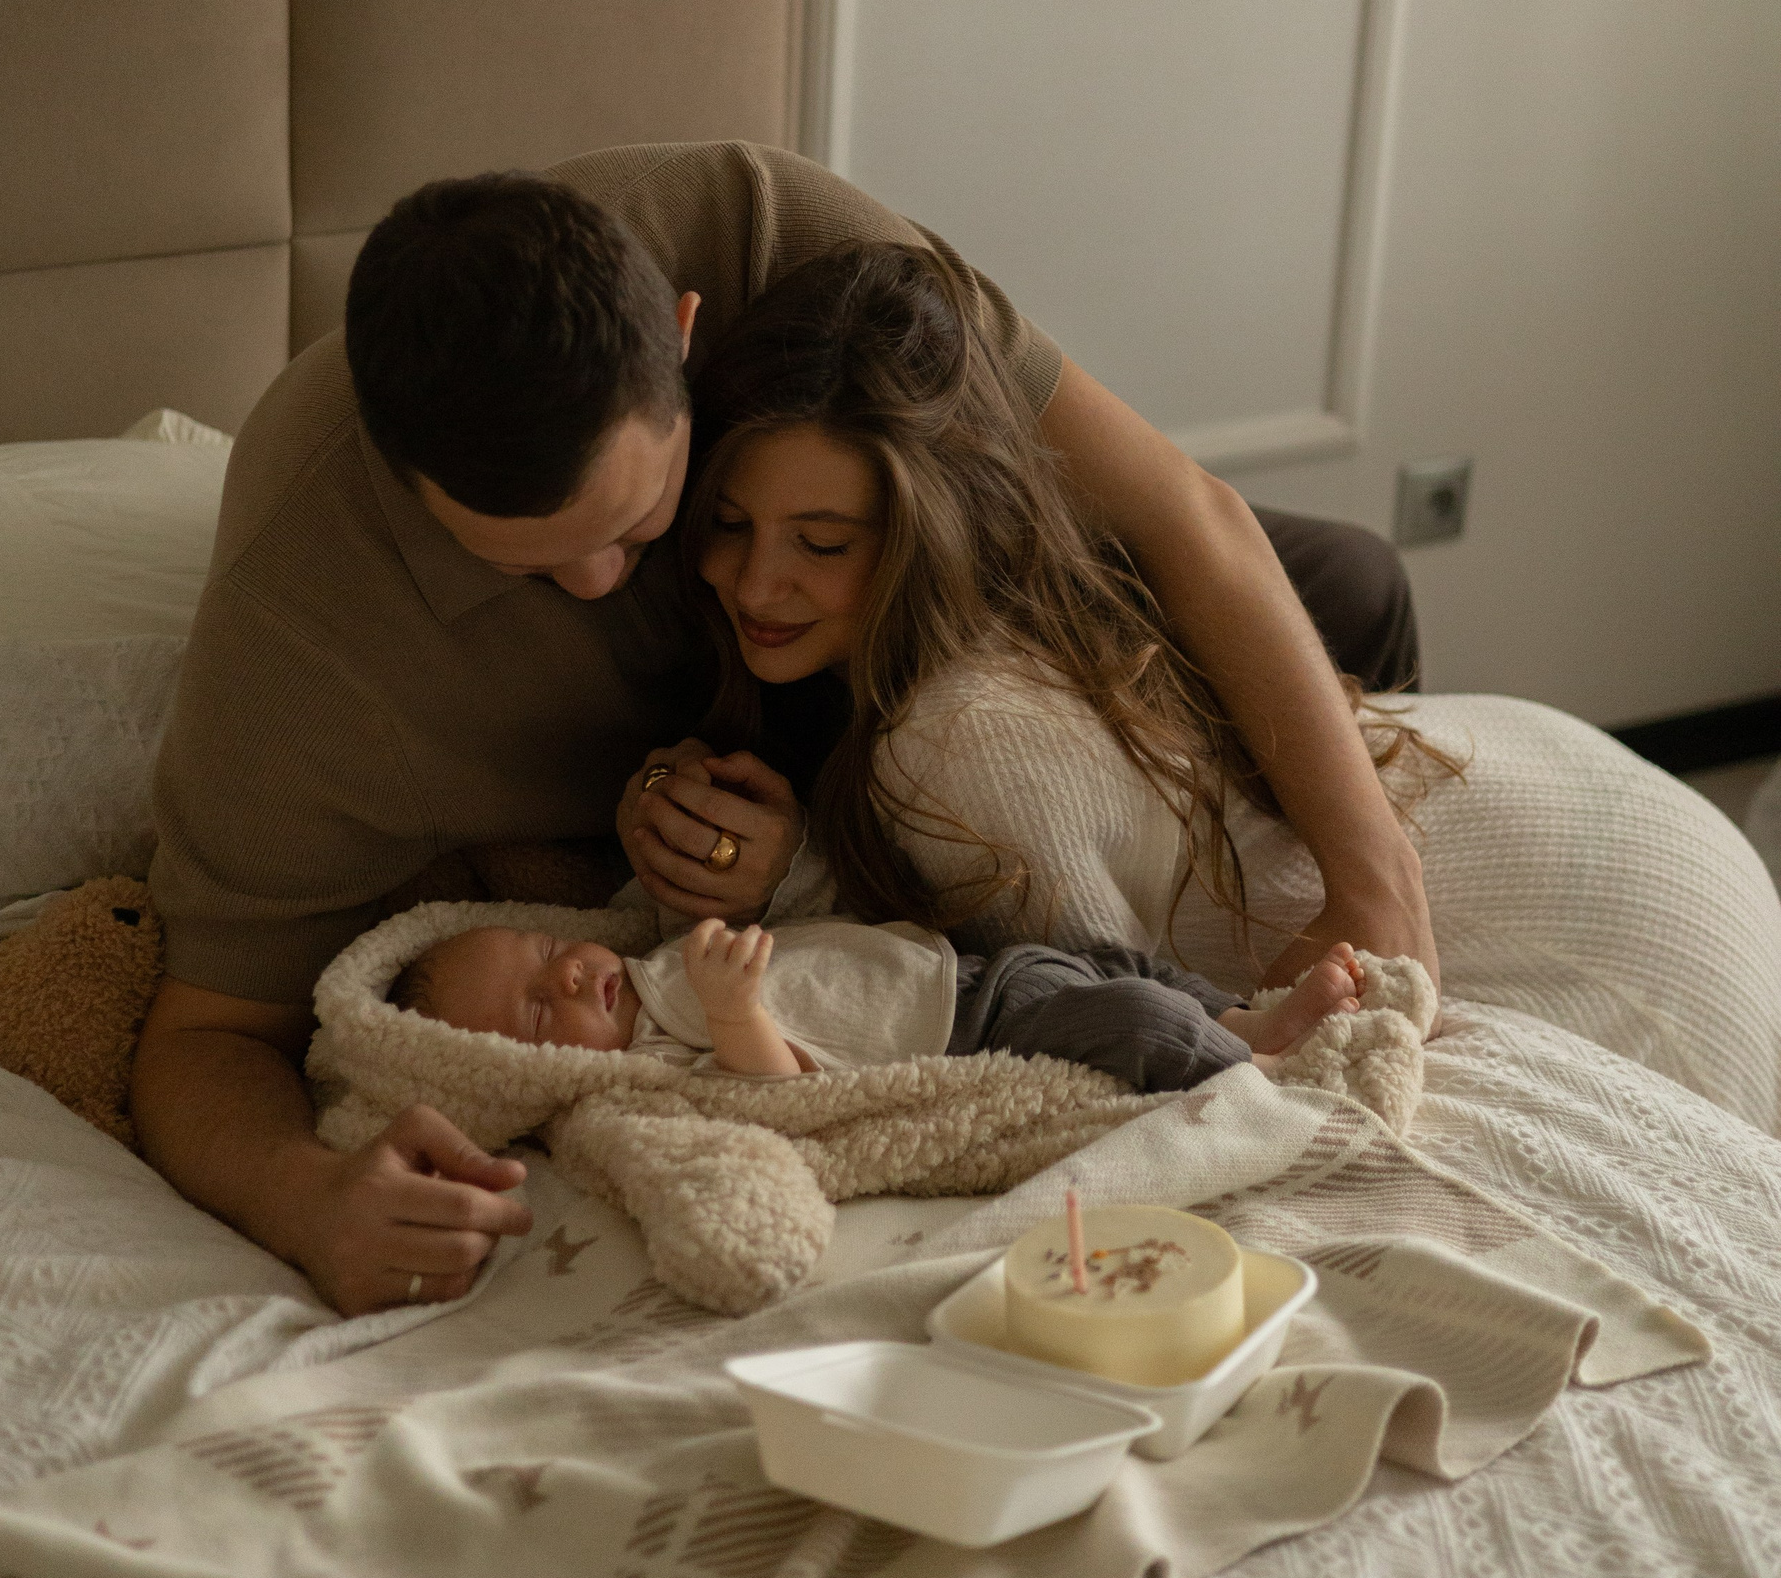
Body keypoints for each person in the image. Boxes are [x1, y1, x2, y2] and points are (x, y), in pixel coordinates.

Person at [135, 146, 1431, 1317]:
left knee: (1360, 587)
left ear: (687, 339)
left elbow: (1175, 508)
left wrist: (1376, 880)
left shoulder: (769, 231)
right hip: (817, 789)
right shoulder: (299, 626)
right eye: (524, 568)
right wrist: (306, 1197)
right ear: (401, 476)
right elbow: (204, 1033)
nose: (602, 586)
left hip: (940, 607)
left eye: (642, 526)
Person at [641, 241, 1458, 981]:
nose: (754, 587)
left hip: (1496, 879)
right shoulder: (885, 681)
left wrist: (799, 882)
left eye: (823, 545)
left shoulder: (962, 740)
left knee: (1358, 573)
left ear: (937, 535)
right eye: (729, 523)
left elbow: (1113, 1018)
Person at [382, 913, 1364, 1087]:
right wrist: (732, 1013)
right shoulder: (657, 1062)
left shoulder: (652, 955)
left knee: (1119, 960)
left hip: (969, 969)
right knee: (1134, 1022)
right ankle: (1260, 1066)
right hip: (974, 1034)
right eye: (538, 1013)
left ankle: (1244, 1016)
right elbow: (776, 1088)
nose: (565, 977)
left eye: (549, 952)